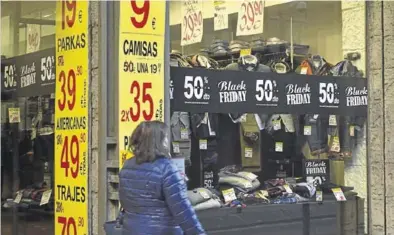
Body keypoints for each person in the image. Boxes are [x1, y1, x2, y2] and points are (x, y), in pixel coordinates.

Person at [119, 121, 206, 235]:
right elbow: (183, 210)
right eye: (165, 137)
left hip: (131, 230)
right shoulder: (167, 168)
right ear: (159, 141)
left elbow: (125, 202)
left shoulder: (127, 166)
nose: (167, 141)